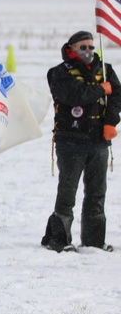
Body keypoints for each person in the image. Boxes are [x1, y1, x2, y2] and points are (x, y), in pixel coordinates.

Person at [41, 30, 121, 252]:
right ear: (72, 48)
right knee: (67, 193)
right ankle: (59, 239)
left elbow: (117, 95)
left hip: (99, 141)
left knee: (97, 193)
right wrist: (100, 89)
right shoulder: (59, 72)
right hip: (71, 141)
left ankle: (94, 240)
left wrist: (111, 122)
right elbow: (74, 95)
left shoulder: (105, 71)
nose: (88, 51)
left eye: (91, 47)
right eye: (82, 47)